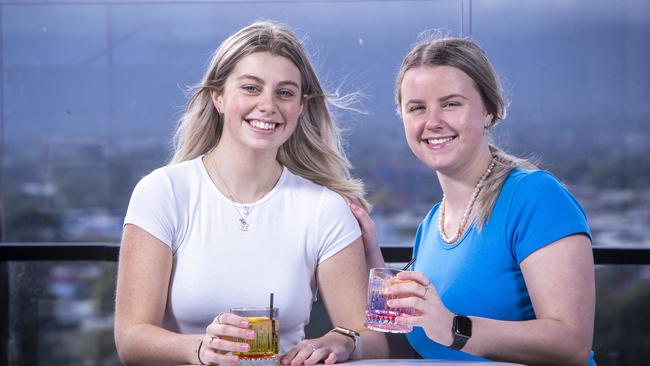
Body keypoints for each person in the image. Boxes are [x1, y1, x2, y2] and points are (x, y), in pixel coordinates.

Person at [114, 20, 392, 365]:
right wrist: (201, 349)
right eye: (251, 88)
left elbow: (377, 343)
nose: (268, 105)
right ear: (218, 97)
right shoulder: (163, 192)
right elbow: (130, 340)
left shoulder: (325, 208)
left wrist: (344, 339)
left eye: (285, 93)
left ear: (301, 107)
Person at [351, 36, 597, 365]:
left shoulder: (535, 196)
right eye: (417, 108)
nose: (433, 121)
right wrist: (345, 341)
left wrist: (454, 326)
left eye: (451, 103)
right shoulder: (432, 225)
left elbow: (571, 344)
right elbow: (423, 348)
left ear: (489, 110)